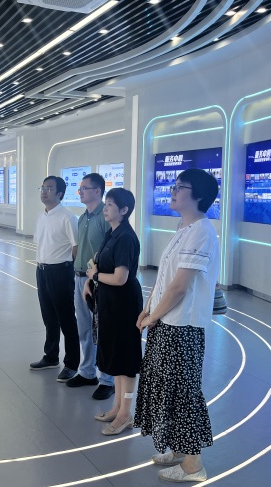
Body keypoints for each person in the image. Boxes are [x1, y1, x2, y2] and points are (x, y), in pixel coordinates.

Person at [134, 168, 220, 483]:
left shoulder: (202, 231)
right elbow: (165, 280)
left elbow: (180, 287)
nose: (172, 191)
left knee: (183, 392)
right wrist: (148, 309)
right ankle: (180, 448)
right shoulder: (184, 227)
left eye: (179, 187)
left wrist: (152, 317)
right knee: (166, 389)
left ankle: (193, 466)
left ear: (198, 195)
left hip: (181, 326)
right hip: (166, 321)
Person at [84, 187, 143, 435]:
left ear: (124, 210)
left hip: (124, 305)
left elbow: (120, 278)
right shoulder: (112, 233)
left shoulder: (126, 237)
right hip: (110, 303)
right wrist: (90, 280)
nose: (105, 208)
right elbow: (98, 264)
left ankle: (125, 414)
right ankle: (117, 407)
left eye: (110, 204)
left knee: (125, 360)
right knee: (116, 358)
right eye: (106, 204)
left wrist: (95, 276)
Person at [67, 173, 115, 400]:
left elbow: (110, 251)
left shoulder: (105, 217)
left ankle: (108, 380)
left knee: (103, 329)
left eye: (84, 188)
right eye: (80, 188)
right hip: (80, 278)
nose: (81, 192)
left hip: (98, 280)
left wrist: (98, 276)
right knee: (85, 329)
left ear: (98, 191)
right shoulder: (82, 217)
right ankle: (87, 372)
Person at [30, 176, 80, 383]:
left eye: (49, 188)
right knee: (49, 317)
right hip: (42, 270)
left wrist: (67, 269)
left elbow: (76, 247)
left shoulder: (68, 218)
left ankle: (72, 363)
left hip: (60, 272)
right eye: (42, 187)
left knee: (66, 318)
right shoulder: (41, 216)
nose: (44, 191)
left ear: (60, 193)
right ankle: (51, 356)